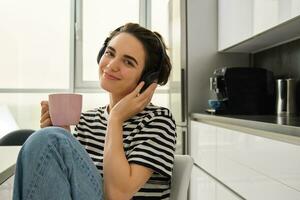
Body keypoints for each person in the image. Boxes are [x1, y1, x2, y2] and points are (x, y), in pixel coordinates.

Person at [13, 22, 176, 200]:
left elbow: (116, 195)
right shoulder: (88, 120)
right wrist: (62, 137)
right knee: (46, 139)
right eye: (109, 53)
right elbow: (77, 185)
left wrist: (115, 120)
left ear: (147, 78)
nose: (112, 65)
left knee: (49, 139)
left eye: (128, 62)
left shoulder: (159, 121)